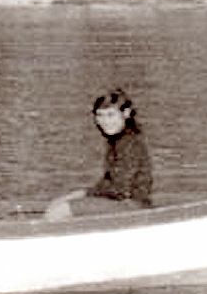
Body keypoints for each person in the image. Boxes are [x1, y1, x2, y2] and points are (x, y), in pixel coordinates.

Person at [45, 88, 153, 221]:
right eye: (100, 115)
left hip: (132, 207)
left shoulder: (129, 143)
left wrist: (84, 195)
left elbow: (120, 189)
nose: (105, 121)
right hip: (122, 203)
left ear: (126, 113)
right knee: (57, 204)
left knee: (59, 211)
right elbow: (109, 182)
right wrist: (81, 194)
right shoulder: (117, 140)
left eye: (110, 115)